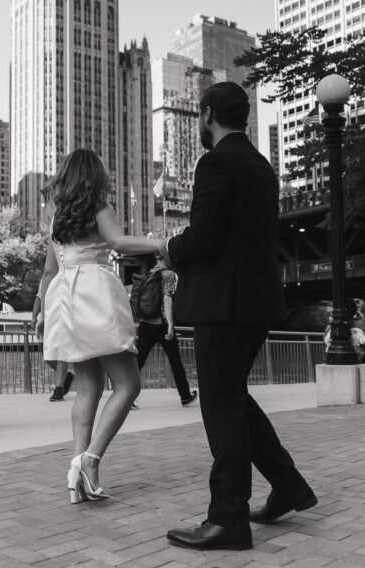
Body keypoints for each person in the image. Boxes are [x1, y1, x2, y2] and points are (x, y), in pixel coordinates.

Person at [162, 82, 316, 553]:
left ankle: (228, 518)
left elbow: (205, 239)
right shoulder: (260, 164)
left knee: (221, 404)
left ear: (208, 113)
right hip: (256, 304)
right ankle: (289, 486)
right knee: (234, 397)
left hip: (222, 305)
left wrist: (169, 249)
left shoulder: (215, 162)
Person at [37, 148, 163, 504]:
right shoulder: (99, 208)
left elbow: (49, 271)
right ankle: (90, 461)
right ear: (95, 176)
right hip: (94, 293)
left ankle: (78, 467)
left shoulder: (57, 217)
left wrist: (41, 311)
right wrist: (161, 243)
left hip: (65, 298)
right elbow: (119, 243)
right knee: (129, 384)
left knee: (87, 388)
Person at [134, 253, 197, 406]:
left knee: (138, 362)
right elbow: (167, 298)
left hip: (145, 324)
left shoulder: (148, 274)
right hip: (161, 324)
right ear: (165, 258)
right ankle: (185, 396)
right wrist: (170, 324)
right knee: (175, 362)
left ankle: (127, 398)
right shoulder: (169, 275)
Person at [30, 291, 74, 401]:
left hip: (63, 318)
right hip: (47, 321)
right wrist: (34, 317)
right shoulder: (46, 278)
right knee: (47, 356)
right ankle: (67, 376)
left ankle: (59, 389)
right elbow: (38, 299)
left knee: (61, 352)